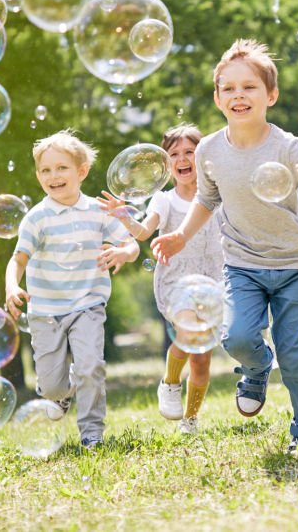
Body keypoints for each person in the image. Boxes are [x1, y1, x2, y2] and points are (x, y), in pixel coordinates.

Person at [151, 39, 298, 452]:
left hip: (293, 264)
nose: (239, 95)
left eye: (250, 87)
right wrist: (181, 235)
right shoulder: (209, 151)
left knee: (297, 357)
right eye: (229, 88)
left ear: (270, 95)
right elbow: (206, 199)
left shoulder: (286, 146)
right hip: (241, 264)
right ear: (218, 98)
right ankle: (256, 367)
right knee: (236, 337)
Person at [5, 129, 139, 449]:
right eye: (45, 170)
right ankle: (61, 396)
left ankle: (91, 433)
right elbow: (18, 259)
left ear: (81, 172)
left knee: (90, 366)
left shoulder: (97, 211)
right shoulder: (36, 218)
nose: (53, 176)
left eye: (62, 168)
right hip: (46, 311)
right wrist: (12, 285)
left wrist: (124, 252)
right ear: (38, 175)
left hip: (87, 304)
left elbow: (131, 244)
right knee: (51, 386)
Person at [98, 124, 224, 436]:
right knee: (186, 335)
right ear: (167, 165)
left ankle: (190, 419)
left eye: (190, 152)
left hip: (214, 281)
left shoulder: (219, 195)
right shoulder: (164, 201)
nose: (183, 159)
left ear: (203, 157)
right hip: (177, 279)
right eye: (174, 154)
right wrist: (123, 216)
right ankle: (169, 382)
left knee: (202, 360)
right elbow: (142, 232)